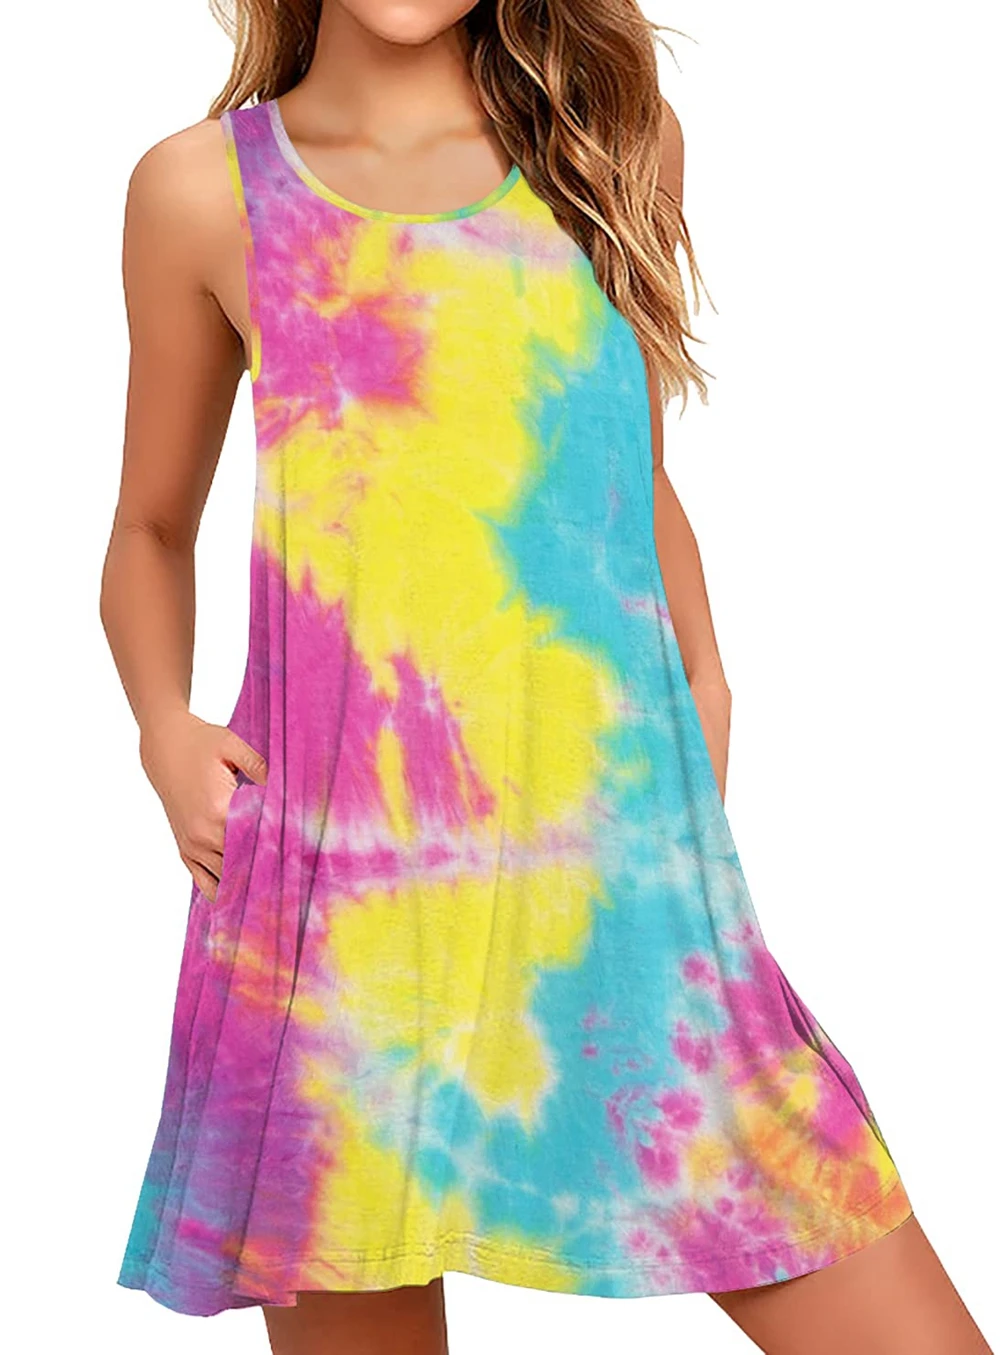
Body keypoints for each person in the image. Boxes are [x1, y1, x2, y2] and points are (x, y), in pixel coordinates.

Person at [100, 3, 992, 1353]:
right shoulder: (203, 191)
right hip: (342, 896)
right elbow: (148, 527)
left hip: (609, 865)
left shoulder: (609, 146)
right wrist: (163, 730)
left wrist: (706, 696)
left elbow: (629, 471)